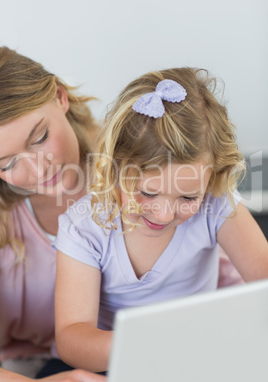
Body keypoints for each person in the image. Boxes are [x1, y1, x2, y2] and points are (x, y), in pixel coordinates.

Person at [54, 67, 268, 373]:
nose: (166, 214)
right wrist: (155, 343)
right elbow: (72, 339)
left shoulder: (217, 204)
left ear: (213, 179)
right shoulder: (84, 228)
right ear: (114, 169)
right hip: (119, 365)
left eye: (188, 198)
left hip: (203, 358)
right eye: (147, 192)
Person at [0, 46, 106, 381]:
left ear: (60, 97)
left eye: (40, 138)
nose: (37, 169)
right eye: (7, 164)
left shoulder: (140, 169)